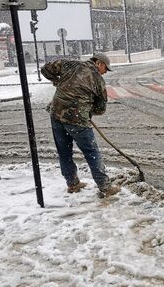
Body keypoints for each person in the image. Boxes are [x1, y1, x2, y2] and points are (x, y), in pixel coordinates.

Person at [41, 53, 120, 198]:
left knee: (64, 152)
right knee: (92, 153)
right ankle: (105, 186)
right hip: (78, 121)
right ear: (99, 63)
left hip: (57, 115)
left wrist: (56, 80)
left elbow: (46, 69)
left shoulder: (70, 64)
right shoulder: (98, 80)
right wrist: (86, 109)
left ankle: (72, 183)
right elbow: (101, 109)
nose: (105, 72)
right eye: (106, 69)